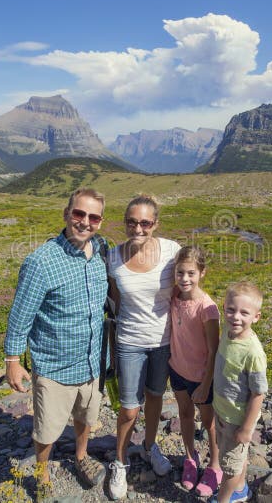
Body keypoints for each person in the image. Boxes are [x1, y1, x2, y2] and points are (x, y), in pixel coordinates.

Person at [3, 188, 109, 497]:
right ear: (66, 214)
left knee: (86, 417)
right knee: (47, 429)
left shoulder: (101, 250)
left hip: (91, 361)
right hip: (54, 364)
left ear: (100, 222)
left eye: (93, 217)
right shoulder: (41, 262)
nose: (85, 222)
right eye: (78, 214)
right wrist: (12, 360)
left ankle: (81, 456)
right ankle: (42, 474)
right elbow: (21, 314)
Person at [106, 194, 181, 500]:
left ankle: (150, 446)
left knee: (155, 399)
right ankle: (119, 461)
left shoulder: (172, 251)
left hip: (163, 341)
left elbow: (186, 289)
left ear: (155, 224)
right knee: (128, 408)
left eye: (145, 223)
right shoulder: (113, 257)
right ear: (125, 222)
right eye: (132, 222)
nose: (138, 228)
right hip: (129, 342)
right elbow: (114, 303)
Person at [168, 246, 222, 497]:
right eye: (180, 272)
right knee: (185, 415)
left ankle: (215, 465)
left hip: (202, 376)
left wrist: (205, 382)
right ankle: (191, 457)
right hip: (177, 370)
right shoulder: (174, 297)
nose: (185, 278)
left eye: (191, 273)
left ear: (202, 273)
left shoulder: (207, 308)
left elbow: (214, 350)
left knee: (209, 422)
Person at [208, 281, 268, 503]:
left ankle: (223, 499)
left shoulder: (253, 352)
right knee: (233, 457)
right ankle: (241, 490)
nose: (236, 317)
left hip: (238, 418)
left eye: (244, 312)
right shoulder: (227, 334)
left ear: (256, 317)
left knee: (230, 468)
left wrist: (246, 429)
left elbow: (258, 394)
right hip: (223, 410)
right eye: (231, 310)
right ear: (224, 308)